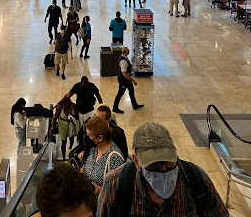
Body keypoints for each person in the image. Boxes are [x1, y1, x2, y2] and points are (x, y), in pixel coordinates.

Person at [97, 122, 229, 217]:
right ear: (137, 161)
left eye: (167, 161)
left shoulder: (197, 180)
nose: (163, 170)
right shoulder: (115, 184)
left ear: (175, 153)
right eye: (153, 164)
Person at [81, 117, 125, 198]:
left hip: (102, 207)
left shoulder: (114, 158)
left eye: (89, 136)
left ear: (100, 138)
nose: (87, 139)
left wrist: (100, 190)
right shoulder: (94, 150)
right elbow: (84, 168)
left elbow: (119, 192)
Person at [113, 46, 144, 113]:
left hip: (127, 79)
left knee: (131, 91)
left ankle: (134, 105)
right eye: (128, 50)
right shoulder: (123, 61)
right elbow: (124, 73)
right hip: (123, 80)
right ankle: (115, 107)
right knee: (120, 93)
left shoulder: (124, 58)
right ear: (127, 52)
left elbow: (129, 66)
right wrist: (132, 80)